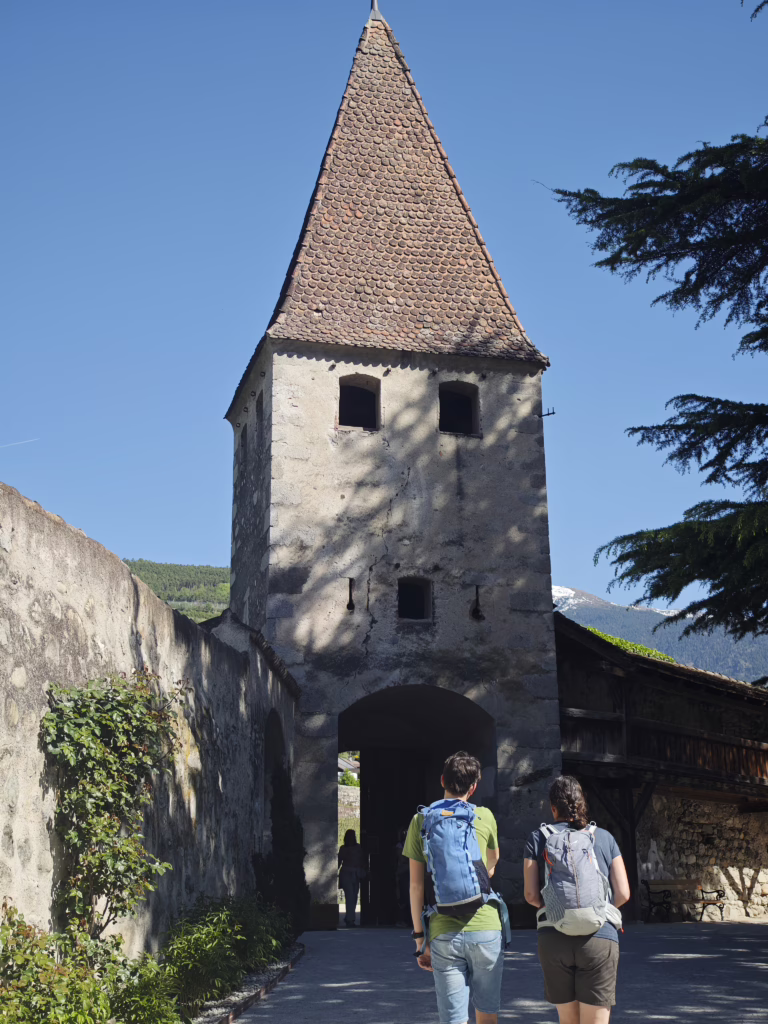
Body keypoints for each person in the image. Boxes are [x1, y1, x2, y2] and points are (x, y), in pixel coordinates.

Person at [404, 751, 505, 1024]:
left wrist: (419, 939)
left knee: (453, 1021)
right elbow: (492, 865)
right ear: (474, 787)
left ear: (442, 781)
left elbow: (416, 886)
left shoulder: (421, 820)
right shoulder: (484, 816)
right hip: (485, 928)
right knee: (487, 1015)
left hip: (443, 930)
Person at [523, 776, 631, 1024]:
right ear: (583, 804)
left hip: (554, 938)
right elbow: (623, 893)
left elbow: (530, 895)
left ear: (553, 808)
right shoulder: (604, 837)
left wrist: (555, 907)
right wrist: (597, 909)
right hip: (599, 938)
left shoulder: (538, 838)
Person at [338, 828, 363, 927]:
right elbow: (339, 861)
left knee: (354, 896)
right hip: (347, 873)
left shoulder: (357, 848)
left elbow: (361, 860)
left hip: (354, 873)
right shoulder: (344, 848)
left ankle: (349, 917)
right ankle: (350, 919)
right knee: (350, 896)